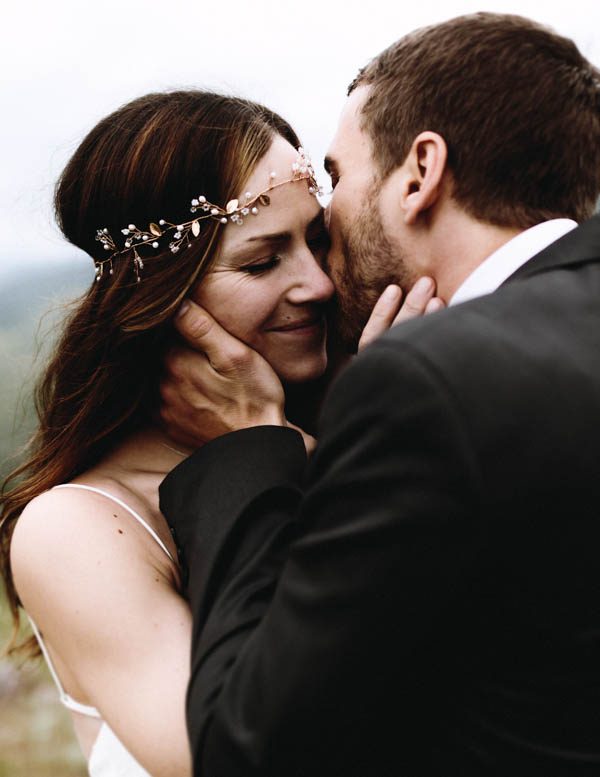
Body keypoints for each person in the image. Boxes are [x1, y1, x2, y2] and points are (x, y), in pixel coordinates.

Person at [157, 13, 600, 777]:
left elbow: (254, 749)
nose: (329, 220)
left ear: (420, 172)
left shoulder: (422, 386)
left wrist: (246, 443)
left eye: (339, 175)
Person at [0, 89, 439, 776]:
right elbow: (240, 755)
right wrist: (269, 447)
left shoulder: (342, 419)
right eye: (263, 261)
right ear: (164, 296)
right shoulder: (76, 527)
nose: (318, 284)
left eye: (317, 242)